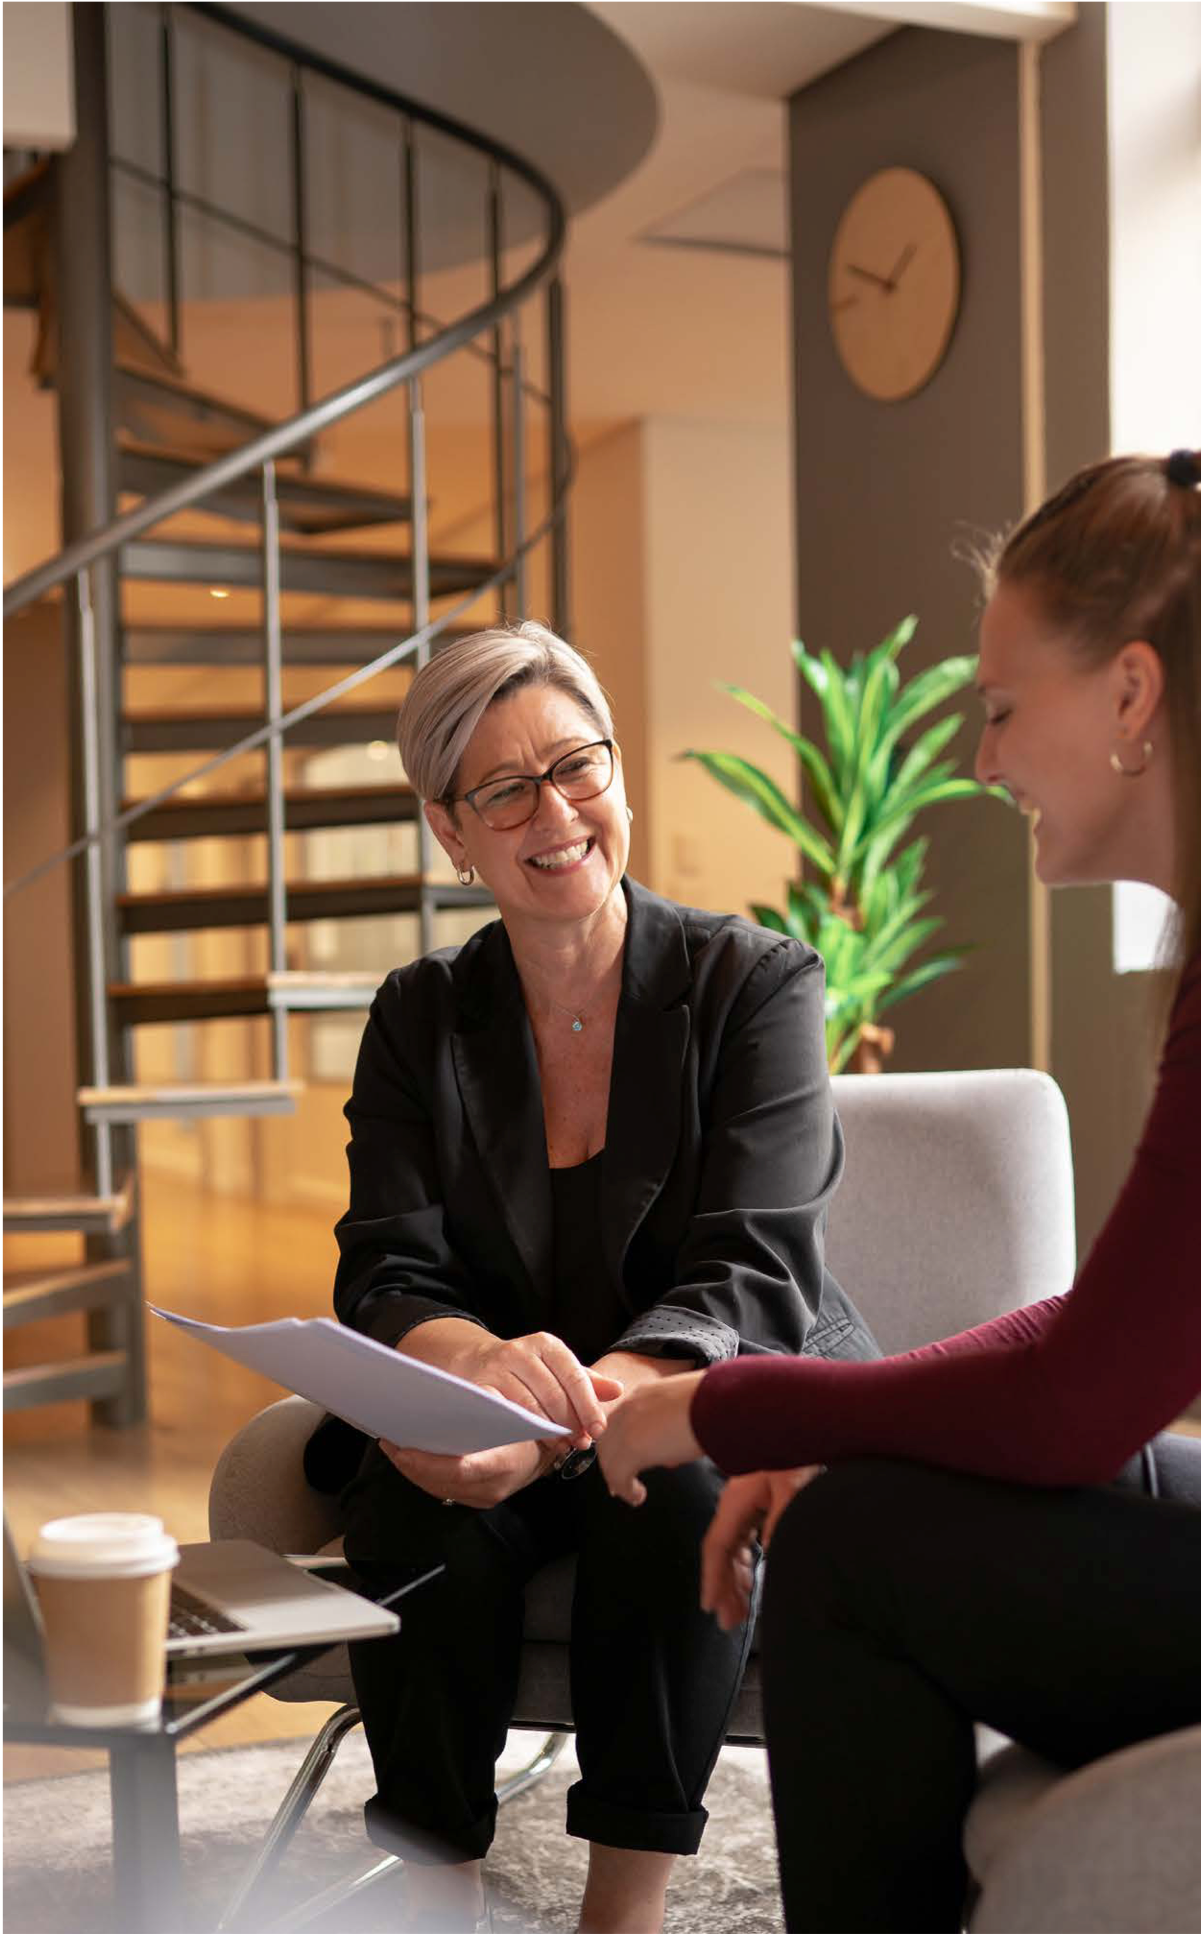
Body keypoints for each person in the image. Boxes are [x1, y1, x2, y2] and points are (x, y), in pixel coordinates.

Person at [595, 444, 1201, 1933]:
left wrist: (726, 1405)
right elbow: (1089, 1338)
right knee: (885, 1485)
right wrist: (821, 1422)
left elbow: (1079, 1405)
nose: (981, 759)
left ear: (1130, 695)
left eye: (998, 707)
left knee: (854, 1553)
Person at [323, 619, 877, 1935]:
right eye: (503, 789)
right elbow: (390, 1256)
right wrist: (459, 1377)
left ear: (621, 777)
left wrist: (572, 1419)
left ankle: (619, 1914)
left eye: (577, 766)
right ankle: (437, 1894)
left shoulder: (756, 983)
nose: (553, 811)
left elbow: (751, 1260)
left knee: (674, 1481)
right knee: (406, 1512)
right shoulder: (418, 1014)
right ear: (450, 831)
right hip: (497, 1408)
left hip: (694, 1382)